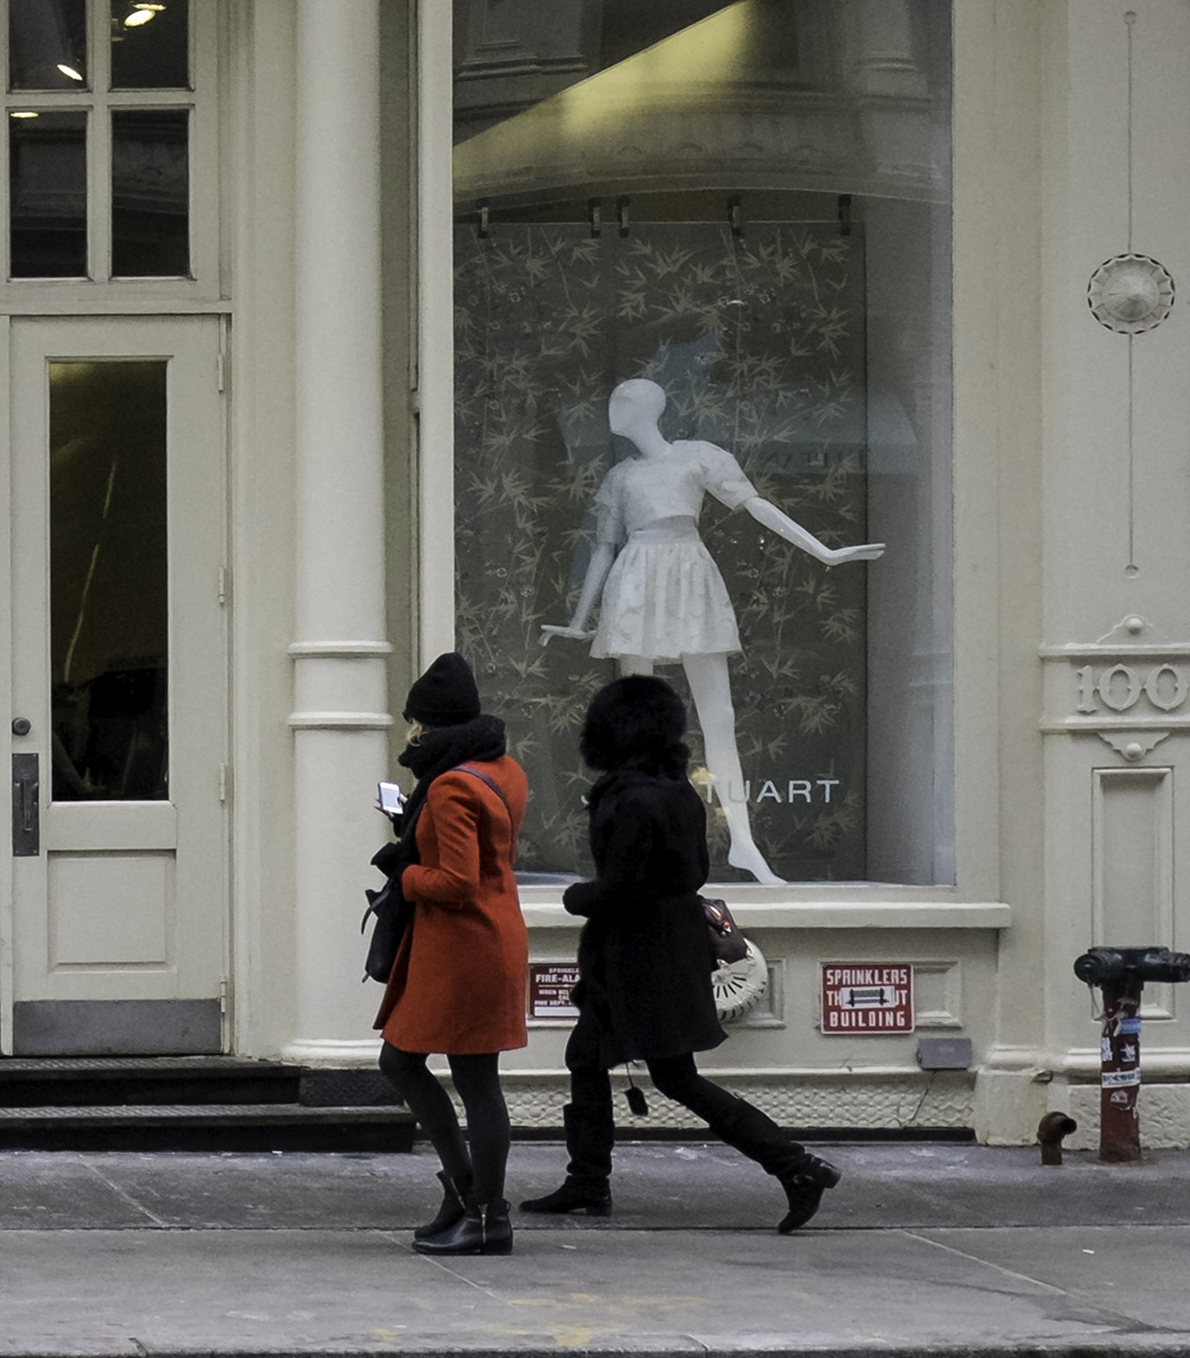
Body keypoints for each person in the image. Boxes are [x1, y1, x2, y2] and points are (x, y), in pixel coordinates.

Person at [522, 674, 840, 1232]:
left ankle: (794, 1165)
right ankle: (587, 1179)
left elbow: (620, 889)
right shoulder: (676, 789)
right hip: (661, 947)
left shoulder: (633, 798)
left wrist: (576, 896)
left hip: (640, 955)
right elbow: (687, 872)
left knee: (675, 1077)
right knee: (588, 1058)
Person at [542, 377, 883, 884]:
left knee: (718, 717)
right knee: (636, 724)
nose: (612, 407)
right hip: (636, 577)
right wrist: (579, 621)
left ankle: (743, 842)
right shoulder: (621, 477)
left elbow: (755, 505)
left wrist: (824, 552)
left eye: (623, 399)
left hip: (688, 573)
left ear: (648, 407)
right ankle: (637, 846)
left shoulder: (697, 456)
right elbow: (601, 549)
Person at [372, 652, 530, 1257]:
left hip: (464, 945)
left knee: (446, 1071)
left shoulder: (450, 784)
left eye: (413, 721)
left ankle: (483, 1209)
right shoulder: (501, 768)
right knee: (429, 1065)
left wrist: (407, 872)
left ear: (426, 725)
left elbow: (457, 882)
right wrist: (413, 830)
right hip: (486, 938)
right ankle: (469, 1198)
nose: (408, 731)